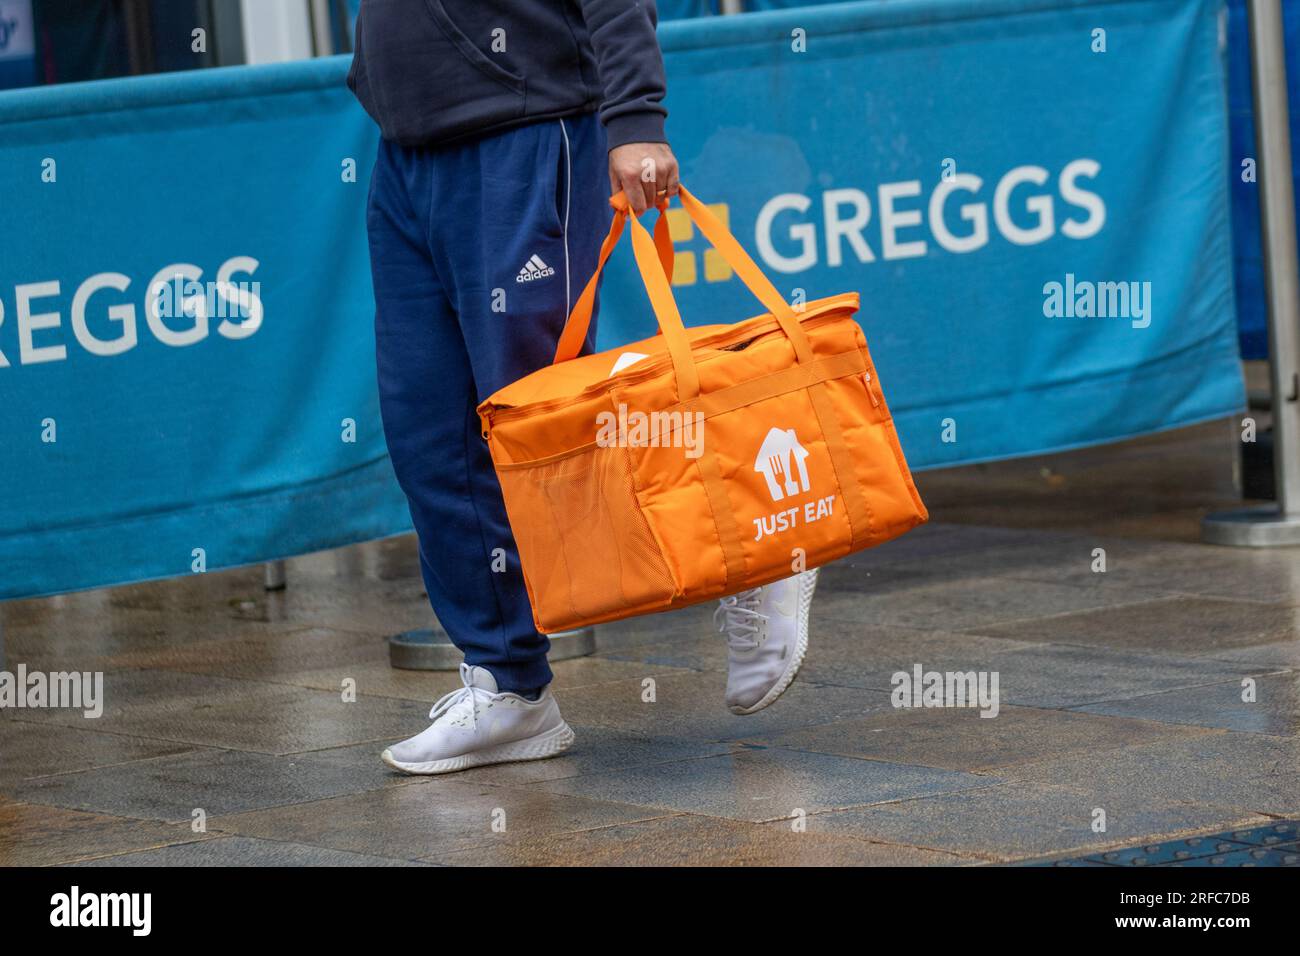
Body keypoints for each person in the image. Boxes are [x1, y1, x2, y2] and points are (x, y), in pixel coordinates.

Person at [351, 0, 818, 775]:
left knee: (552, 430)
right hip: (405, 153)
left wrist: (636, 118)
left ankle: (757, 549)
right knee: (430, 439)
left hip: (523, 135)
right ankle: (509, 687)